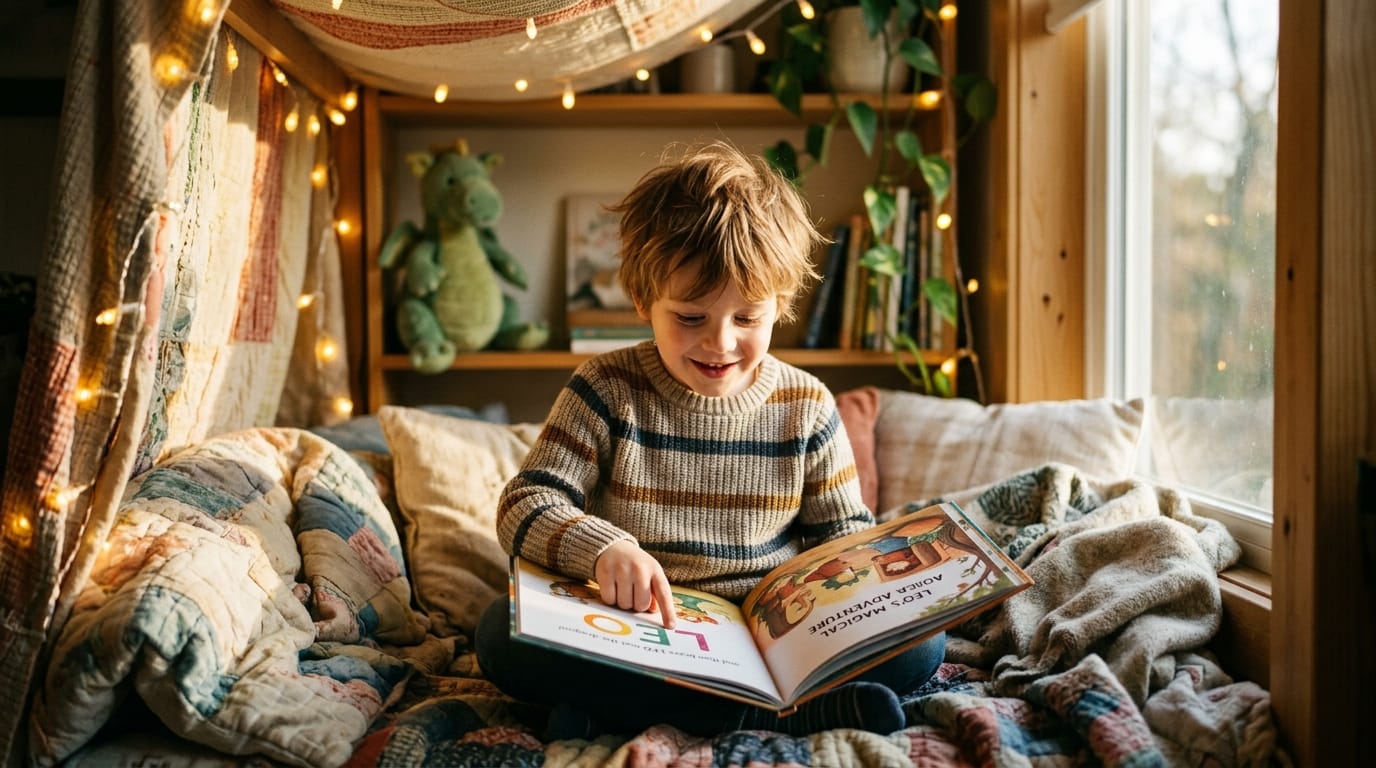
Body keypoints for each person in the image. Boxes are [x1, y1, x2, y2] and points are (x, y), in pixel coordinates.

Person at [475, 140, 945, 739]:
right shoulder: (605, 386)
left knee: (923, 643)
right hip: (641, 629)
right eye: (691, 318)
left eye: (748, 319)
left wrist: (867, 582)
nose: (721, 344)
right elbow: (524, 504)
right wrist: (601, 550)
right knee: (499, 632)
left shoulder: (806, 406)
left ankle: (611, 715)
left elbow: (840, 537)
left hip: (768, 638)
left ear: (782, 304)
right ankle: (775, 718)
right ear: (644, 300)